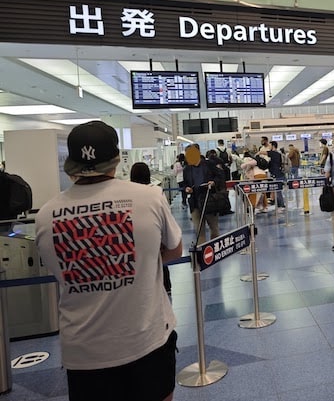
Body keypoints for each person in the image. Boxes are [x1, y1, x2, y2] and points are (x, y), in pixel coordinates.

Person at [34, 120, 182, 401]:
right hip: (146, 338)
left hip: (83, 351)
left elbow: (59, 272)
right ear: (115, 159)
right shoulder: (149, 197)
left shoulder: (46, 215)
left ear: (71, 163)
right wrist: (141, 260)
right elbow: (174, 250)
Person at [130, 162, 173, 296]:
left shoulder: (129, 194)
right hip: (156, 233)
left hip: (136, 236)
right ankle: (166, 287)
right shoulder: (156, 192)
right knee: (160, 261)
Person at [183, 144, 220, 243]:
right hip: (195, 202)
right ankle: (203, 253)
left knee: (214, 229)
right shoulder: (187, 169)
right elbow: (185, 183)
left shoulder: (209, 164)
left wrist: (213, 182)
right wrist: (186, 188)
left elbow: (220, 176)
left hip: (209, 200)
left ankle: (215, 250)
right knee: (199, 231)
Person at [262, 140, 285, 209]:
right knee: (277, 190)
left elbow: (262, 152)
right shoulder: (278, 154)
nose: (269, 146)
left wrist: (256, 154)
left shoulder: (273, 153)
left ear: (273, 146)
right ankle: (280, 204)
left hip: (276, 174)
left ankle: (281, 205)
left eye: (270, 145)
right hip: (278, 173)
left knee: (278, 191)